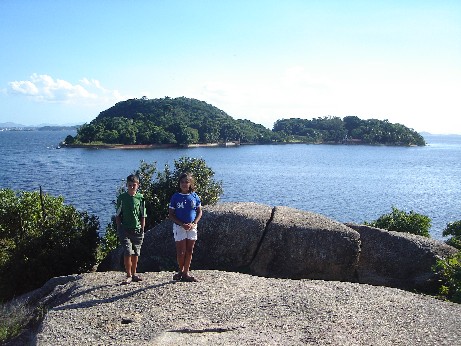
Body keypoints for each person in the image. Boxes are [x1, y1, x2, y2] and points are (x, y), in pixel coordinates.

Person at [168, 172, 202, 282]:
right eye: (182, 182)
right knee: (181, 251)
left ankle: (186, 272)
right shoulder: (175, 197)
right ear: (179, 183)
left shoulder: (194, 196)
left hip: (192, 227)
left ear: (190, 183)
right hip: (179, 227)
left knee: (189, 250)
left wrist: (194, 223)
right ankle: (181, 270)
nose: (184, 184)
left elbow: (199, 212)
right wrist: (182, 224)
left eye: (186, 182)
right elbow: (171, 214)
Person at [116, 174, 146, 285]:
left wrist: (142, 228)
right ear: (126, 185)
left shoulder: (140, 198)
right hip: (125, 229)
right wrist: (119, 228)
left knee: (136, 253)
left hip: (137, 229)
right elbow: (118, 214)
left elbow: (143, 214)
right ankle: (128, 275)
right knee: (128, 251)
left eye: (134, 185)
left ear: (138, 185)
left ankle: (134, 274)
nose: (132, 187)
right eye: (130, 185)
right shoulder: (122, 198)